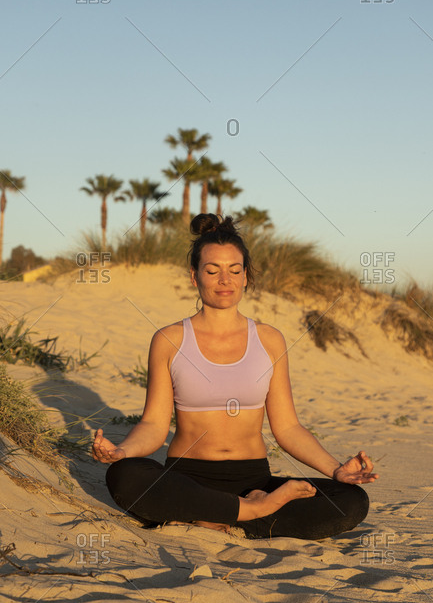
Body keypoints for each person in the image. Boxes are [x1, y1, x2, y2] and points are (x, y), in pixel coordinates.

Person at [92, 213, 378, 539]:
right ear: (194, 276)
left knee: (351, 501)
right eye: (212, 270)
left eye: (234, 270)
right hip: (189, 478)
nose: (224, 280)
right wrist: (122, 452)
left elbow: (287, 428)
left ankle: (214, 514)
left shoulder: (269, 340)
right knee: (124, 475)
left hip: (255, 480)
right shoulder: (169, 340)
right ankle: (249, 512)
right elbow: (155, 426)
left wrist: (336, 470)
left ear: (245, 277)